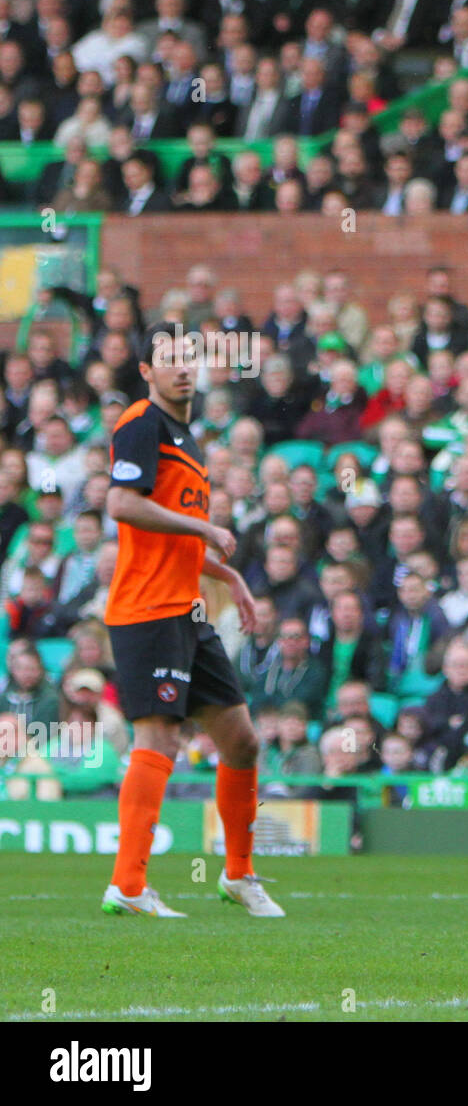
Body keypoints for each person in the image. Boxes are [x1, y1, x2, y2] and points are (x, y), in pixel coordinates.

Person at [100, 323, 284, 918]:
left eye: (189, 357)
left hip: (187, 607)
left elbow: (166, 535)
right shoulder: (142, 423)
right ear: (147, 373)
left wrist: (224, 575)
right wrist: (206, 529)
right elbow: (122, 504)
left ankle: (238, 874)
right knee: (159, 736)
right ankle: (127, 885)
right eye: (169, 359)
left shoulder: (187, 436)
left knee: (242, 740)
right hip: (147, 609)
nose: (183, 367)